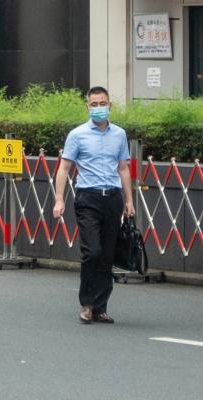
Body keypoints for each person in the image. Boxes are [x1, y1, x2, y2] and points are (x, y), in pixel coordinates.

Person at [53, 86, 135, 324]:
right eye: (94, 104)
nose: (99, 108)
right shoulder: (77, 135)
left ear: (110, 106)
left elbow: (123, 169)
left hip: (112, 197)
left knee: (107, 254)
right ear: (87, 107)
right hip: (87, 197)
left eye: (103, 103)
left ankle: (100, 306)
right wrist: (59, 199)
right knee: (93, 252)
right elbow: (64, 168)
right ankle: (87, 304)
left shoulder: (119, 134)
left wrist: (129, 201)